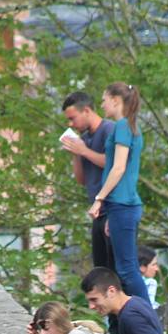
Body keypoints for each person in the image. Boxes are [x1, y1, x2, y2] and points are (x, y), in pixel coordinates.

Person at [86, 82, 149, 304]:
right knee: (123, 268)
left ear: (115, 100)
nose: (102, 104)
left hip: (123, 204)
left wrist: (99, 199)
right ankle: (135, 321)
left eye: (104, 99)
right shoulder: (128, 126)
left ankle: (149, 321)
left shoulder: (122, 126)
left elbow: (119, 167)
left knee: (126, 269)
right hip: (120, 206)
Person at [60, 91, 116, 269]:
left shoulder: (109, 129)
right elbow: (82, 179)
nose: (71, 124)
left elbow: (113, 163)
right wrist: (76, 154)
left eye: (73, 118)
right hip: (96, 210)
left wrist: (84, 151)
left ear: (86, 111)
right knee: (100, 266)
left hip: (112, 206)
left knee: (117, 266)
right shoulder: (84, 139)